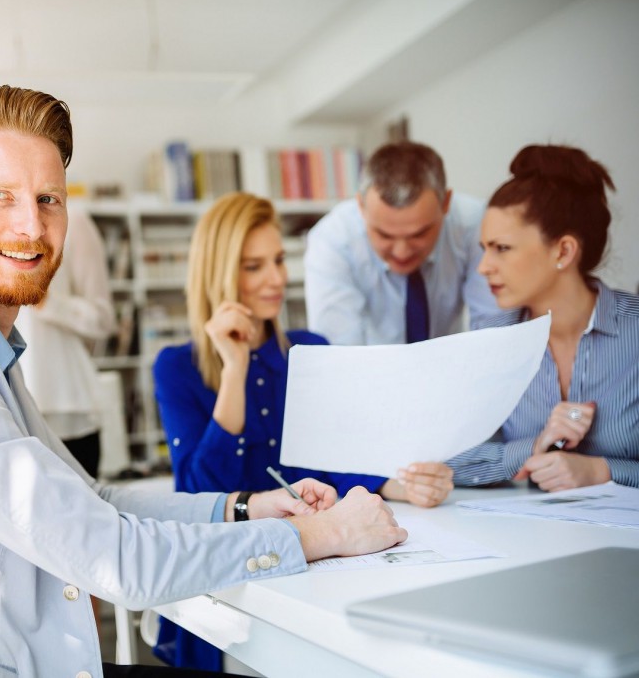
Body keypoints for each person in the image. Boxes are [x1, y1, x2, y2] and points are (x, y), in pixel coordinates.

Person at [0, 84, 408, 678]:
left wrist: (242, 507)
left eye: (48, 198)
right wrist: (319, 535)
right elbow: (116, 559)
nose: (31, 224)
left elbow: (91, 504)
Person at [152, 191, 454, 671]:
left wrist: (403, 484)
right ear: (219, 275)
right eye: (254, 266)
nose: (277, 279)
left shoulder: (310, 351)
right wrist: (233, 370)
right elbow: (200, 493)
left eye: (277, 260)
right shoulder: (176, 368)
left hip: (314, 570)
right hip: (229, 583)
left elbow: (331, 463)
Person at [446, 145, 638, 490]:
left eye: (501, 248)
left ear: (563, 251)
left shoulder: (634, 332)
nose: (483, 267)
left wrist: (604, 471)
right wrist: (534, 447)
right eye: (484, 248)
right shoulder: (491, 340)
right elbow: (445, 461)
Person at [304, 141, 503, 345]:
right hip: (371, 369)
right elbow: (339, 349)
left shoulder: (477, 225)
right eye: (384, 235)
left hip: (454, 364)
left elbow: (495, 330)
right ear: (361, 207)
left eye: (419, 234)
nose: (402, 252)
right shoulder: (332, 240)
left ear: (446, 203)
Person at [17, 205, 116, 479]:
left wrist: (48, 302)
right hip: (7, 412)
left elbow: (103, 319)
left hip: (69, 410)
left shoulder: (76, 223)